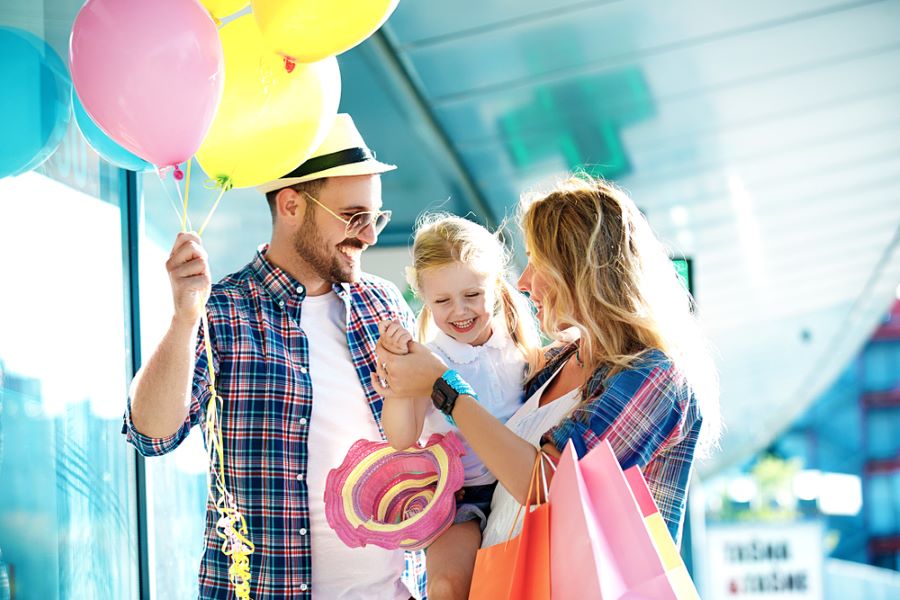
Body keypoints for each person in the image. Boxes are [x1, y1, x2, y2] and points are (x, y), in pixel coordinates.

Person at [123, 114, 425, 599]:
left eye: (376, 217)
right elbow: (150, 434)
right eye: (354, 217)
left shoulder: (384, 303)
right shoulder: (221, 310)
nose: (369, 235)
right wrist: (184, 318)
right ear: (291, 205)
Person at [373, 174, 720, 561]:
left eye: (537, 264)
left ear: (578, 272)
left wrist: (443, 386)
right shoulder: (556, 360)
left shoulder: (654, 377)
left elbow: (544, 484)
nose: (522, 282)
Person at [378, 214, 541, 600]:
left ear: (497, 287)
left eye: (472, 295)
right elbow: (401, 437)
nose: (459, 311)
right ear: (423, 297)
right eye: (442, 301)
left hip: (516, 490)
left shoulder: (521, 349)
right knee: (447, 587)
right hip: (459, 500)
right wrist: (399, 380)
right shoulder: (430, 359)